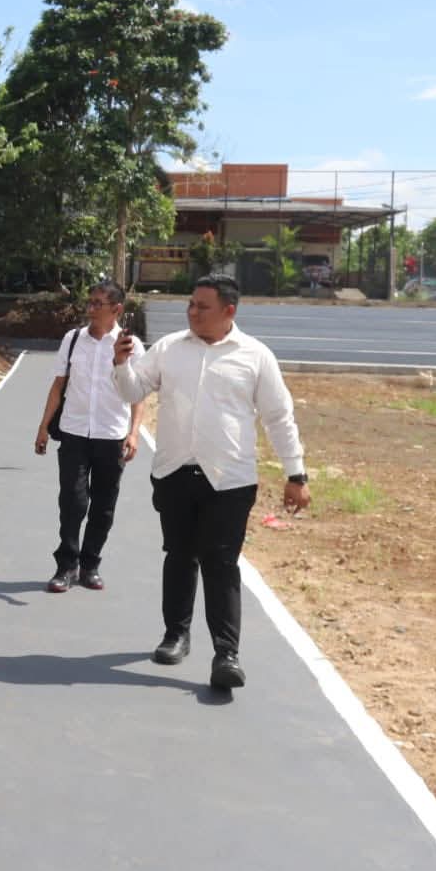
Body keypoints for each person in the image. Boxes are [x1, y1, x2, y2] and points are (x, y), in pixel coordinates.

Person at [112, 274, 310, 691]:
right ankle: (176, 635)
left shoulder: (256, 356)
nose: (193, 312)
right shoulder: (169, 349)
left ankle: (227, 654)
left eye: (203, 306)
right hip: (174, 471)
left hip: (230, 479)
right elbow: (132, 389)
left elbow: (278, 417)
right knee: (179, 555)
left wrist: (296, 474)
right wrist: (121, 361)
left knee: (221, 563)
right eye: (191, 304)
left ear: (229, 311)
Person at [33, 282, 146, 593]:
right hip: (73, 432)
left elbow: (138, 395)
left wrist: (134, 433)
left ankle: (91, 564)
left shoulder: (131, 346)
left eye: (99, 303)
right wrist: (43, 426)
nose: (91, 308)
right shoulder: (72, 340)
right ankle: (66, 565)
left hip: (111, 436)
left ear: (117, 310)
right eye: (90, 302)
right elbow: (59, 385)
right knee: (72, 500)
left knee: (104, 505)